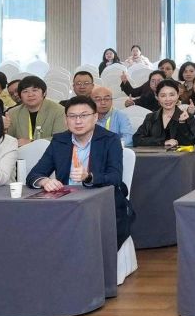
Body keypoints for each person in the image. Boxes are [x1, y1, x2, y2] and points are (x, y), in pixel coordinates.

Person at [27, 96, 134, 244]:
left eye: (84, 115)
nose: (78, 121)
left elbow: (115, 177)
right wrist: (44, 181)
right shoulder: (59, 140)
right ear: (66, 119)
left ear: (95, 117)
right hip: (65, 203)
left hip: (100, 204)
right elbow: (34, 174)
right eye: (72, 116)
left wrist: (88, 177)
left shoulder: (110, 139)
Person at [134, 80, 195, 150]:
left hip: (178, 157)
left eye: (172, 95)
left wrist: (182, 123)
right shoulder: (151, 117)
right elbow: (137, 139)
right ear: (157, 97)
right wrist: (162, 142)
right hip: (154, 156)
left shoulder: (187, 117)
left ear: (178, 95)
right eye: (163, 96)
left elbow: (190, 143)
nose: (168, 99)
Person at [8, 76, 67, 145]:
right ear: (20, 96)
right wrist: (4, 129)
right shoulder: (12, 113)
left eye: (35, 90)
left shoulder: (59, 111)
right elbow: (8, 140)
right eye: (25, 91)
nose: (30, 95)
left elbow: (61, 138)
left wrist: (32, 142)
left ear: (44, 93)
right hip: (21, 151)